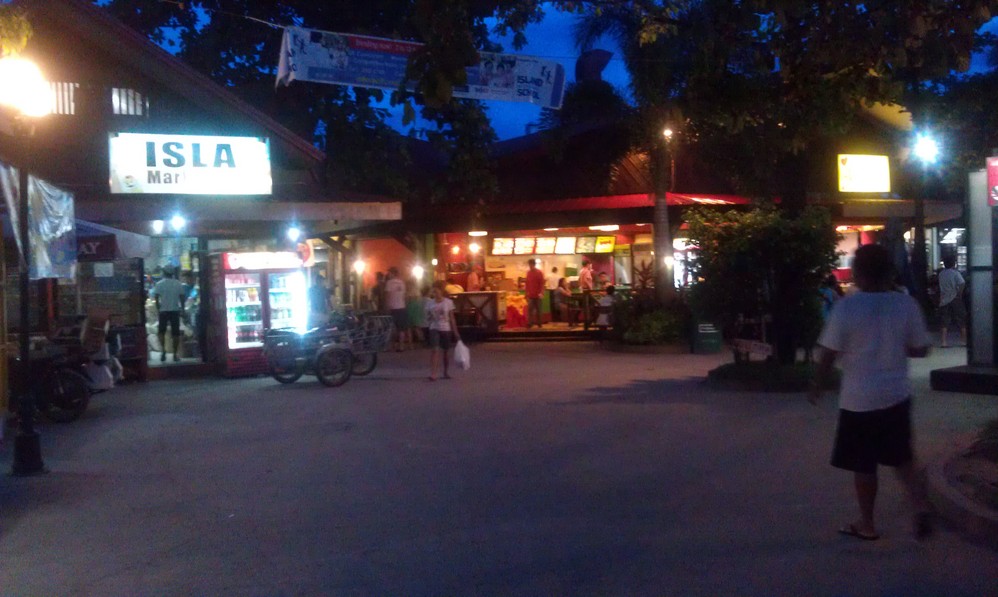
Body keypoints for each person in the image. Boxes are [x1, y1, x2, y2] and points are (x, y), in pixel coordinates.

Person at [810, 244, 933, 542]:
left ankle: (867, 524)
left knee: (863, 465)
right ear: (889, 272)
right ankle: (920, 507)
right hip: (895, 396)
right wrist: (895, 345)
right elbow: (921, 348)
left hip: (859, 400)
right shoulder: (905, 304)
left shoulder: (847, 307)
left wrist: (818, 384)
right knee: (903, 458)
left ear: (857, 272)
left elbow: (828, 353)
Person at [425, 280, 461, 380]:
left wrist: (456, 332)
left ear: (441, 291)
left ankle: (445, 372)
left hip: (445, 328)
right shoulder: (429, 303)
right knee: (435, 350)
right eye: (434, 292)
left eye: (437, 291)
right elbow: (427, 317)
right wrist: (430, 317)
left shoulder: (448, 302)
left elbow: (452, 318)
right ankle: (433, 373)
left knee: (446, 351)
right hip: (434, 327)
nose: (435, 294)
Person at [151, 265, 186, 362]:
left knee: (161, 332)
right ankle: (175, 354)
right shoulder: (178, 284)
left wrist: (158, 309)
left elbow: (156, 297)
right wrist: (183, 309)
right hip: (175, 311)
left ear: (164, 273)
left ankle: (163, 351)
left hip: (163, 311)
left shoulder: (159, 284)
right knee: (175, 333)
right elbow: (182, 298)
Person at [937, 255, 966, 348]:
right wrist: (959, 293)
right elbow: (962, 283)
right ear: (953, 264)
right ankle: (963, 341)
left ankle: (944, 342)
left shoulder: (941, 274)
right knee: (961, 319)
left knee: (944, 321)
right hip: (955, 298)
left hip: (944, 299)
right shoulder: (955, 273)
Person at [384, 267, 409, 352]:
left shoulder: (389, 283)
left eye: (389, 273)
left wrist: (386, 306)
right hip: (401, 307)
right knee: (401, 328)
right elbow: (404, 296)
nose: (388, 275)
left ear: (392, 273)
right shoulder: (402, 283)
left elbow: (387, 295)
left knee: (391, 327)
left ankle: (392, 346)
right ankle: (401, 346)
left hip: (392, 307)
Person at [525, 258, 546, 328]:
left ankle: (539, 323)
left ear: (534, 264)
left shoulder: (539, 272)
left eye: (531, 264)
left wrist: (541, 293)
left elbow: (542, 283)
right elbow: (527, 283)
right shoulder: (528, 273)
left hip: (538, 295)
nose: (530, 266)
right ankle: (530, 323)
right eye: (529, 265)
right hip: (531, 295)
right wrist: (526, 293)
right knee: (530, 310)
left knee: (538, 310)